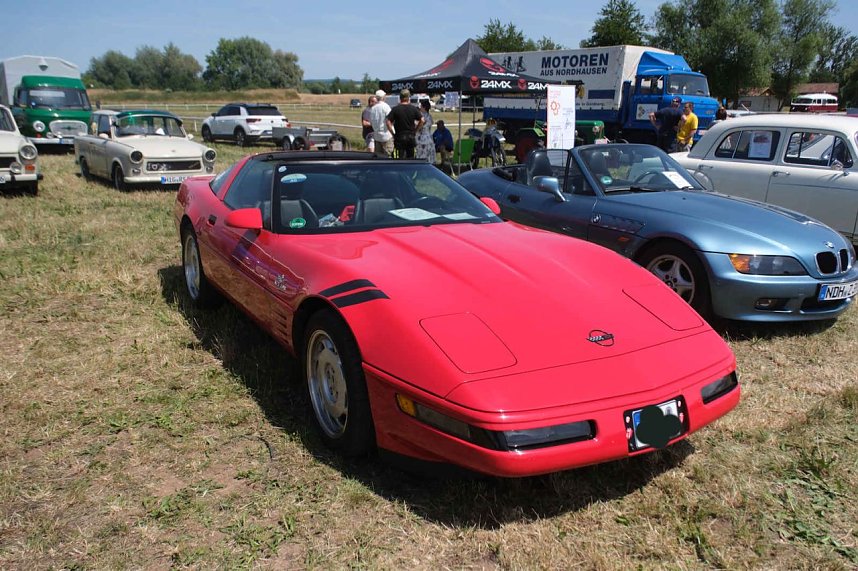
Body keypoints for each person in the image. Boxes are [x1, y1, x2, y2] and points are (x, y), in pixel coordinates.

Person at [386, 89, 424, 159]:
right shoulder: (413, 108)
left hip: (399, 136)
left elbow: (388, 122)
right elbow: (422, 120)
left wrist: (392, 133)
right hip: (411, 136)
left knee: (399, 158)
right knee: (411, 158)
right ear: (408, 97)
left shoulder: (395, 109)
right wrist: (416, 130)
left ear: (400, 97)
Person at [369, 89, 393, 157]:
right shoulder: (386, 106)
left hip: (377, 135)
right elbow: (390, 120)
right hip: (386, 135)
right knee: (387, 155)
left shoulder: (373, 108)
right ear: (383, 97)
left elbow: (371, 121)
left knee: (378, 156)